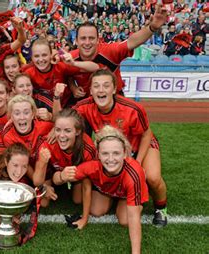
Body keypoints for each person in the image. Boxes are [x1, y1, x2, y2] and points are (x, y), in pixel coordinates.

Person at [73, 69, 168, 227]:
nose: (101, 90)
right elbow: (66, 118)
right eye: (96, 86)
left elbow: (146, 134)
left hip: (139, 145)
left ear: (114, 88)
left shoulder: (132, 108)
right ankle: (120, 193)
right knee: (96, 210)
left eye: (106, 85)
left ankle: (161, 207)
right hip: (113, 152)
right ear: (90, 90)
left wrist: (137, 162)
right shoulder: (85, 106)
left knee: (152, 177)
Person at [60, 125, 149, 253]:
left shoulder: (133, 174)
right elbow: (62, 178)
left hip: (126, 193)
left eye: (116, 153)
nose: (111, 159)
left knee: (125, 220)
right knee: (95, 210)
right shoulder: (92, 166)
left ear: (125, 154)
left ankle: (135, 201)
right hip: (110, 190)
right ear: (98, 155)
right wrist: (60, 176)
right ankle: (112, 199)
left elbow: (134, 218)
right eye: (105, 153)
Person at [68, 4, 168, 102]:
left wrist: (152, 28)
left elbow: (131, 42)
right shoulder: (70, 57)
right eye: (83, 38)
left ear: (98, 40)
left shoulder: (110, 51)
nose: (87, 43)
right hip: (86, 103)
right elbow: (64, 72)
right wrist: (73, 87)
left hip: (115, 101)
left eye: (91, 38)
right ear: (76, 41)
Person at [33, 108, 96, 208]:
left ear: (78, 131)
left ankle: (67, 187)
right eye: (58, 130)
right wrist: (42, 163)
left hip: (75, 175)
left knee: (78, 199)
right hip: (54, 173)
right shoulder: (47, 144)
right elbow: (37, 181)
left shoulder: (87, 148)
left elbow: (87, 182)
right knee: (44, 202)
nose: (62, 135)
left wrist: (84, 218)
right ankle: (59, 188)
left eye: (67, 130)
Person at [21, 38, 99, 107]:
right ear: (32, 57)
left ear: (51, 55)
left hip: (66, 105)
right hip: (45, 109)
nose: (41, 59)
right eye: (36, 56)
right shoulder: (29, 73)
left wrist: (73, 63)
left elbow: (95, 67)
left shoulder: (60, 66)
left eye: (44, 55)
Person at [1, 94, 54, 175]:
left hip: (47, 169)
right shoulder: (8, 136)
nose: (22, 117)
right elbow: (22, 165)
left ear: (33, 114)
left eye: (26, 112)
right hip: (24, 172)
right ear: (11, 116)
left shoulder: (45, 126)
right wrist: (37, 183)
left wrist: (52, 118)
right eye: (17, 113)